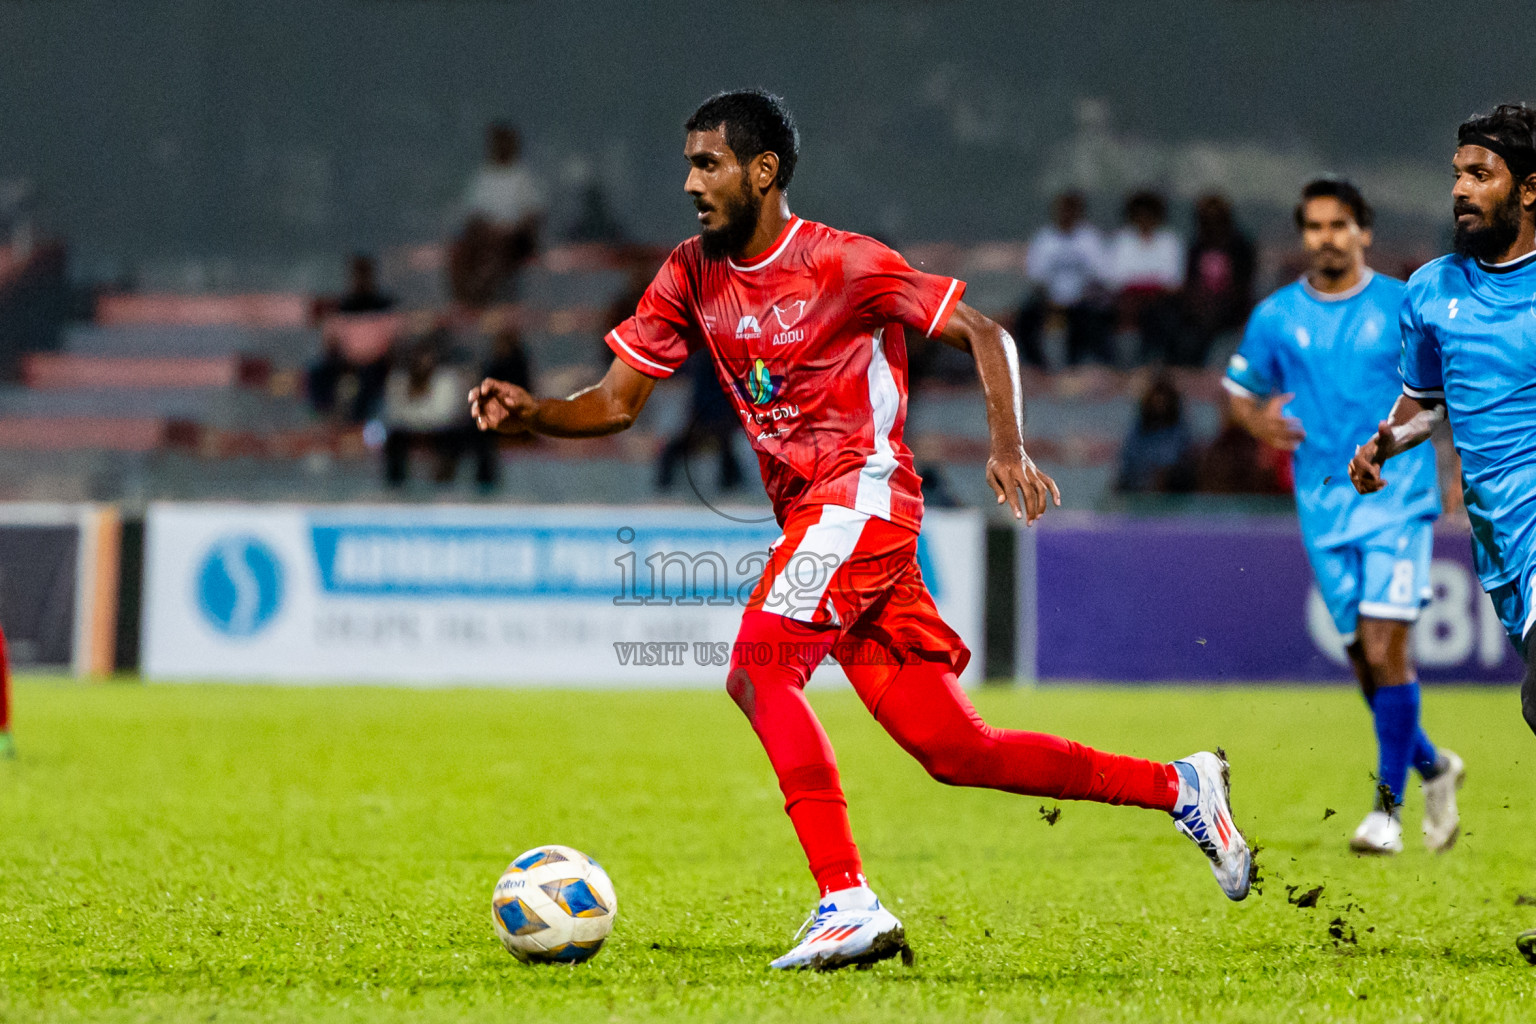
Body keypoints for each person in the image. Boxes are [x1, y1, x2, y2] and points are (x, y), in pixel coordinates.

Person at [470, 89, 1250, 972]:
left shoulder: (845, 263)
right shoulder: (689, 272)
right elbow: (614, 403)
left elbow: (985, 332)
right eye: (689, 162)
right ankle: (1181, 786)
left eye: (708, 163)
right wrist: (532, 411)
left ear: (763, 171)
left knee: (760, 667)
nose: (690, 181)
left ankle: (846, 898)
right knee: (956, 749)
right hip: (821, 517)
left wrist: (1009, 448)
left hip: (863, 500)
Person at [1345, 104, 1536, 964]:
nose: (1460, 190)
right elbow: (1428, 402)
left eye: (1480, 175)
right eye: (1457, 172)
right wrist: (1387, 437)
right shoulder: (1431, 291)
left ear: (1529, 190)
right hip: (1506, 545)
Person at [1227, 178, 1462, 856]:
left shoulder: (1403, 304)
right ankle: (1433, 766)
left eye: (1339, 225)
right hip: (1323, 502)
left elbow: (1439, 395)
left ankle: (1386, 811)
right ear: (1304, 235)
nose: (1326, 238)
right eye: (1315, 227)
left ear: (1363, 231)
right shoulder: (1276, 316)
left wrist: (1450, 470)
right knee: (1364, 660)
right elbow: (1241, 391)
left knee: (1388, 649)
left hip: (1398, 494)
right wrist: (1259, 421)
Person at [449, 123, 547, 306]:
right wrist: (489, 228)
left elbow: (533, 214)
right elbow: (473, 213)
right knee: (459, 252)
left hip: (513, 238)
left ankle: (482, 297)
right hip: (485, 234)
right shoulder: (483, 176)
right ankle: (464, 298)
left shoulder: (522, 177)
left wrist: (510, 230)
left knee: (497, 253)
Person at [383, 334, 496, 488]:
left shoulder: (445, 379)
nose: (423, 362)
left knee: (471, 436)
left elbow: (445, 413)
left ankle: (449, 484)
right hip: (408, 430)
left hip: (442, 429)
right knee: (393, 440)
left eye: (427, 357)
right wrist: (419, 421)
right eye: (419, 357)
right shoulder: (399, 380)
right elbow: (396, 413)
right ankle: (395, 487)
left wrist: (419, 418)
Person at [1014, 191, 1111, 367]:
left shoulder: (1090, 239)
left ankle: (1086, 363)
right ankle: (1036, 364)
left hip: (1083, 299)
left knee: (1092, 317)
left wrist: (1081, 297)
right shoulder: (1044, 238)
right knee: (1026, 317)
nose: (1067, 214)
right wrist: (1052, 301)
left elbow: (1101, 275)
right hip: (1050, 299)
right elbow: (1037, 278)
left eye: (1071, 210)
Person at [307, 254, 395, 422]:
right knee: (316, 371)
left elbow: (392, 342)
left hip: (375, 364)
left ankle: (364, 419)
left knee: (370, 385)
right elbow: (330, 341)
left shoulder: (384, 306)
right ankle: (324, 416)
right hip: (346, 363)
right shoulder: (342, 307)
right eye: (357, 275)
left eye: (364, 274)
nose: (360, 279)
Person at [1105, 190, 1185, 364]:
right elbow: (1116, 278)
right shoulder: (1122, 240)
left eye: (1150, 213)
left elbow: (1172, 280)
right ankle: (1122, 364)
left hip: (1160, 302)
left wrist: (1145, 286)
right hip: (1127, 303)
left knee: (1161, 317)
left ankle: (1156, 362)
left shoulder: (1169, 241)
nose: (1144, 218)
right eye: (1140, 213)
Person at [1182, 193, 1256, 367]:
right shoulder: (1196, 247)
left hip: (1231, 309)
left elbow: (1243, 284)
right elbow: (1190, 283)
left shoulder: (1240, 247)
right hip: (1199, 310)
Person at [1114, 373, 1197, 493]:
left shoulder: (1180, 432)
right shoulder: (1138, 431)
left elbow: (1178, 459)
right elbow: (1128, 462)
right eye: (1156, 397)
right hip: (1139, 485)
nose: (1160, 402)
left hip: (1171, 488)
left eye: (1164, 397)